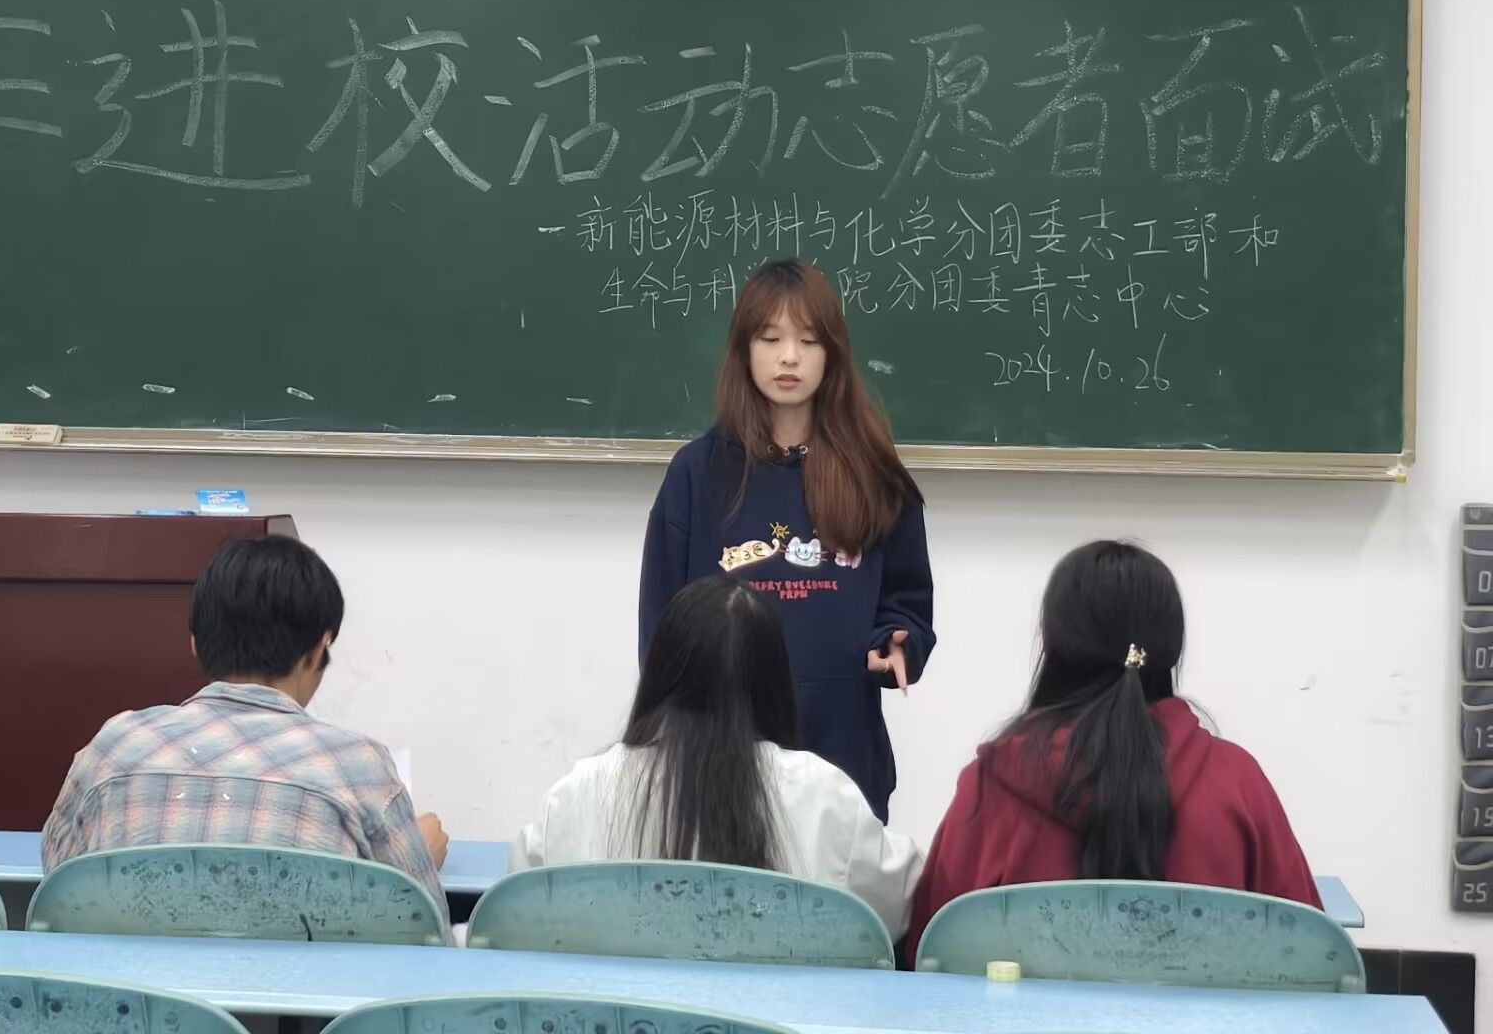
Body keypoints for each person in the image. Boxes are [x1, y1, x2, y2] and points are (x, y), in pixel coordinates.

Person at [905, 539, 1319, 962]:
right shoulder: (1237, 781)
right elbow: (1314, 958)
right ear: (1170, 648)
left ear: (1053, 642)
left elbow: (930, 953)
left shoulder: (991, 784)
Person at [638, 257, 932, 820]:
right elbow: (661, 627)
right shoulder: (697, 474)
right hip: (719, 762)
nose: (789, 357)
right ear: (744, 350)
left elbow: (907, 601)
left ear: (833, 354)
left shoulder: (873, 474)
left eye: (809, 340)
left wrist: (899, 641)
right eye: (771, 339)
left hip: (842, 758)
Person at [41, 534, 449, 917]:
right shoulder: (357, 764)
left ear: (195, 643)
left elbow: (58, 886)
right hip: (297, 972)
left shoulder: (115, 746)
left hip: (132, 972)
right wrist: (414, 869)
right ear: (317, 650)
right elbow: (421, 930)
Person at [513, 577, 921, 938]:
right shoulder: (824, 797)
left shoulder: (577, 795)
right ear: (776, 684)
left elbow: (516, 917)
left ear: (659, 674)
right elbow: (902, 906)